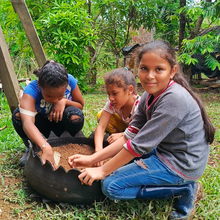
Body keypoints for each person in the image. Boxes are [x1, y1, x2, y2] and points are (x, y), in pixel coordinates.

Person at [68, 40, 215, 219]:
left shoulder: (173, 99)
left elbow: (136, 147)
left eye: (159, 69)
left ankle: (184, 189)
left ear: (173, 71)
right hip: (165, 150)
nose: (149, 76)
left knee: (111, 186)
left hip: (181, 164)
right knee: (122, 161)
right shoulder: (148, 96)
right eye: (144, 68)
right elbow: (129, 136)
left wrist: (102, 170)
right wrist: (92, 159)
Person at [12, 60, 84, 168]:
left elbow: (80, 104)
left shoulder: (70, 81)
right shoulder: (32, 89)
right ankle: (31, 147)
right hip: (41, 126)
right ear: (40, 84)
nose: (55, 100)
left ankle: (70, 141)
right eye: (49, 96)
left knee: (75, 116)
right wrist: (45, 146)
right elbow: (27, 123)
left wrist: (63, 101)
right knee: (18, 116)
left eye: (60, 95)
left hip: (60, 123)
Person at [95, 67, 141, 153]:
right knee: (100, 115)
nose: (111, 98)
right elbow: (101, 126)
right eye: (109, 94)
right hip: (125, 129)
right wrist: (98, 150)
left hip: (137, 134)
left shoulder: (139, 106)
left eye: (115, 93)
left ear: (130, 90)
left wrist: (122, 135)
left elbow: (146, 133)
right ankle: (117, 142)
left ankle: (121, 141)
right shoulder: (113, 102)